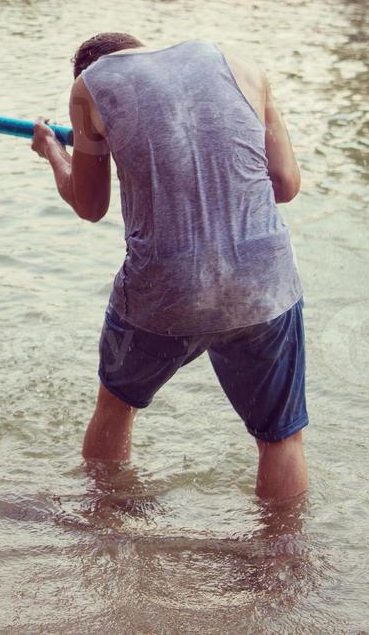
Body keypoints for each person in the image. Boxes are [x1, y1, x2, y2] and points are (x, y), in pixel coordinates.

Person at [31, 33, 307, 501]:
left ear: (86, 69)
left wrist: (54, 152)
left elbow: (89, 204)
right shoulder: (241, 63)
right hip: (263, 283)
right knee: (280, 438)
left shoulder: (89, 87)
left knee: (116, 408)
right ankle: (281, 562)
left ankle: (109, 528)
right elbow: (285, 184)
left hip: (164, 290)